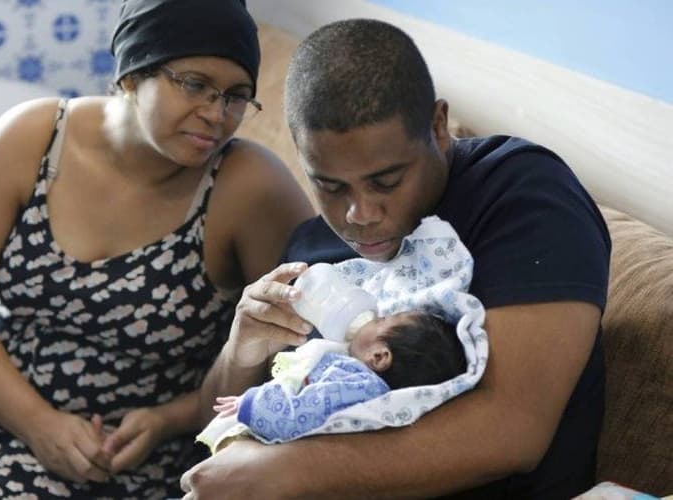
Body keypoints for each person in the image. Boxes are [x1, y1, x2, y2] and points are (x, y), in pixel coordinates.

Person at [0, 0, 313, 498]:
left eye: (236, 96)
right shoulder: (35, 138)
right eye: (194, 84)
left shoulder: (250, 187)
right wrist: (37, 422)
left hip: (110, 448)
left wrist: (169, 419)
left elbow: (296, 352)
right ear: (133, 73)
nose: (216, 114)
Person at [182, 18, 610, 500]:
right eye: (330, 185)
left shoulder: (520, 194)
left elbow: (513, 430)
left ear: (438, 127)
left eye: (385, 182)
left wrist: (286, 470)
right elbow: (211, 428)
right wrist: (243, 348)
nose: (359, 215)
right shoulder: (311, 250)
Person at [200, 310, 466, 449]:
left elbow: (299, 414)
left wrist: (252, 402)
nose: (375, 316)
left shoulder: (359, 386)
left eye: (383, 320)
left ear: (379, 356)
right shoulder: (361, 386)